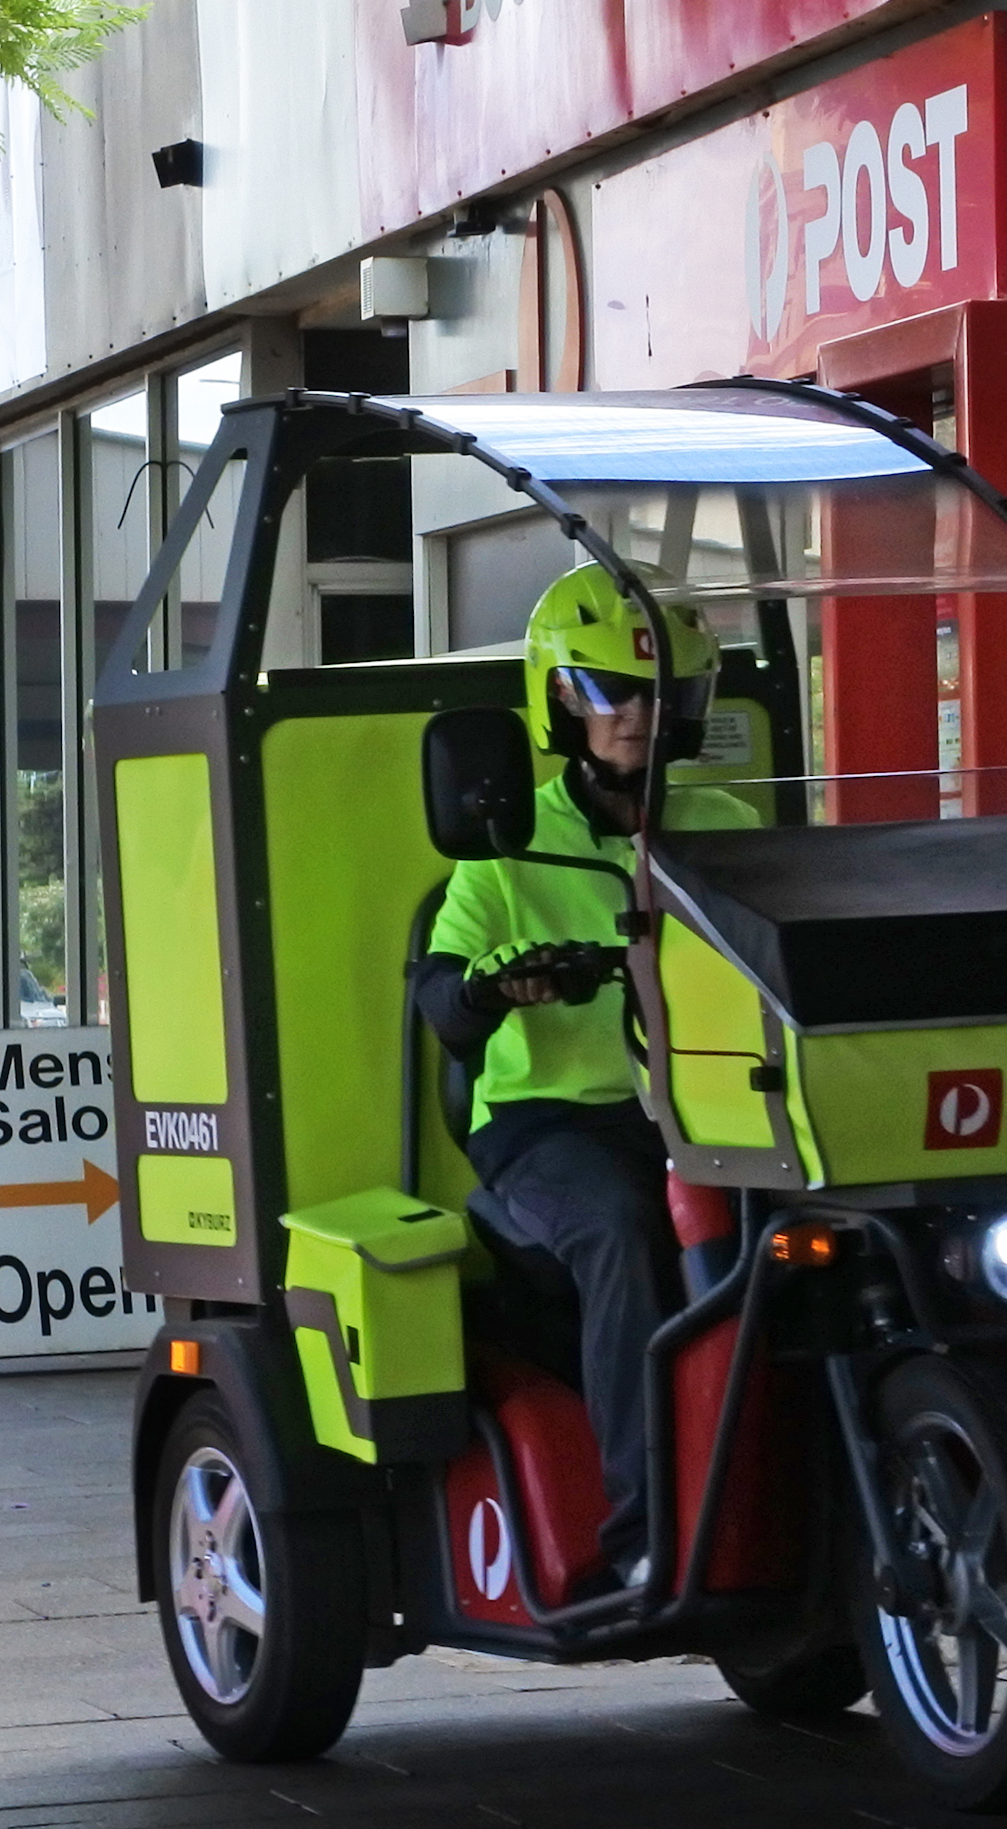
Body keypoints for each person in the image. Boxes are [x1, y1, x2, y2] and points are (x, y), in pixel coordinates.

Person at [412, 561, 754, 1591]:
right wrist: (498, 985)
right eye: (612, 690)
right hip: (547, 1125)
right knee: (622, 1226)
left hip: (713, 1112)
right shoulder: (507, 848)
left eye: (661, 692)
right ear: (561, 696)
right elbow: (439, 996)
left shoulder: (730, 829)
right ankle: (645, 1530)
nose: (638, 714)